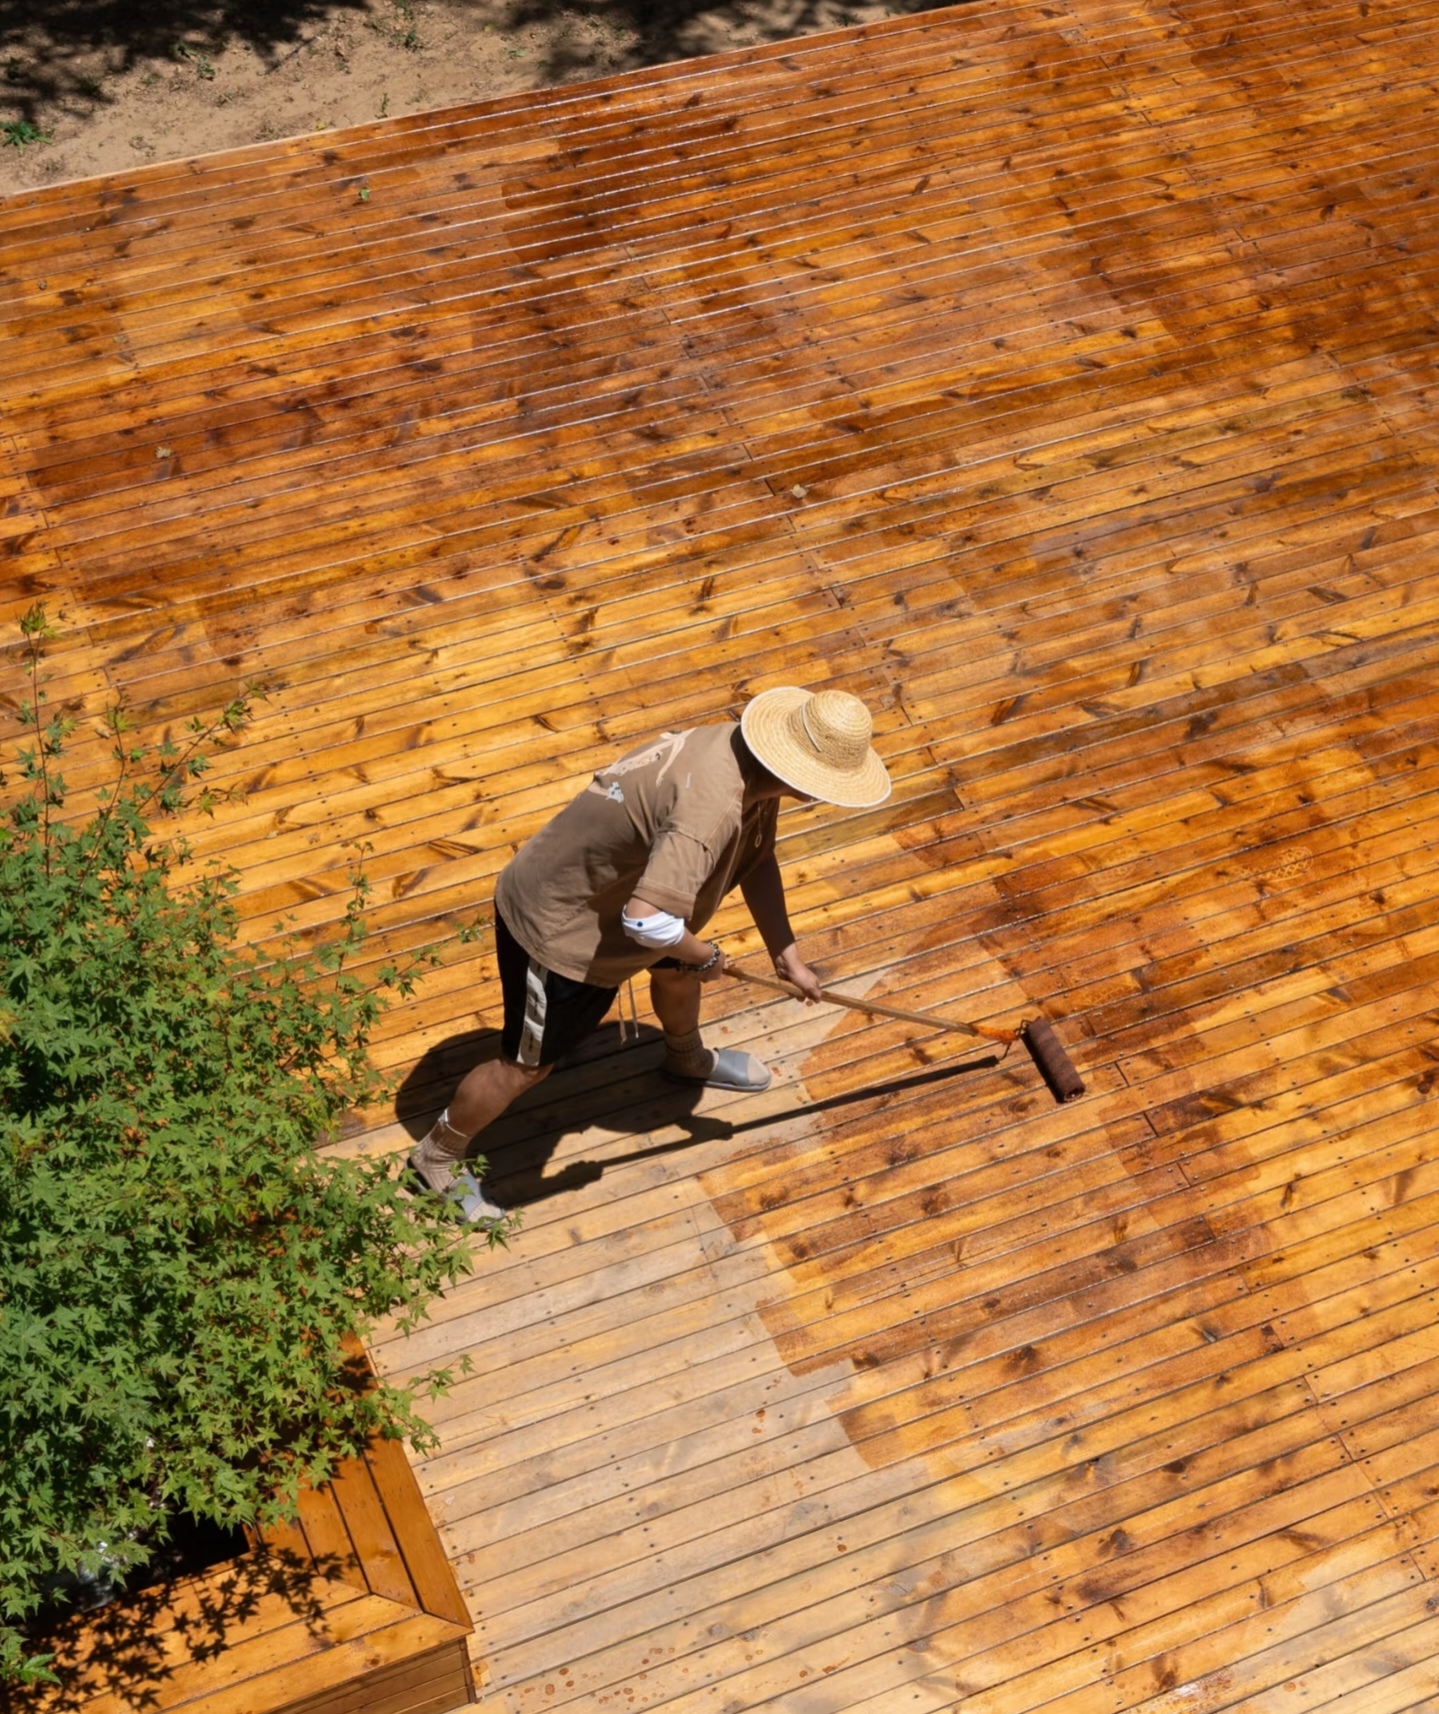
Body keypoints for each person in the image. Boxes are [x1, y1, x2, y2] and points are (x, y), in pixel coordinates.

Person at [405, 686, 891, 1220]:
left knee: (677, 973)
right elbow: (645, 920)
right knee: (526, 1066)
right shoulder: (713, 807)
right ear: (798, 772)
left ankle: (686, 1061)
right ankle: (435, 1157)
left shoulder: (747, 758)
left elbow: (758, 859)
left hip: (636, 904)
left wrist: (787, 955)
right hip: (561, 927)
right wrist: (704, 954)